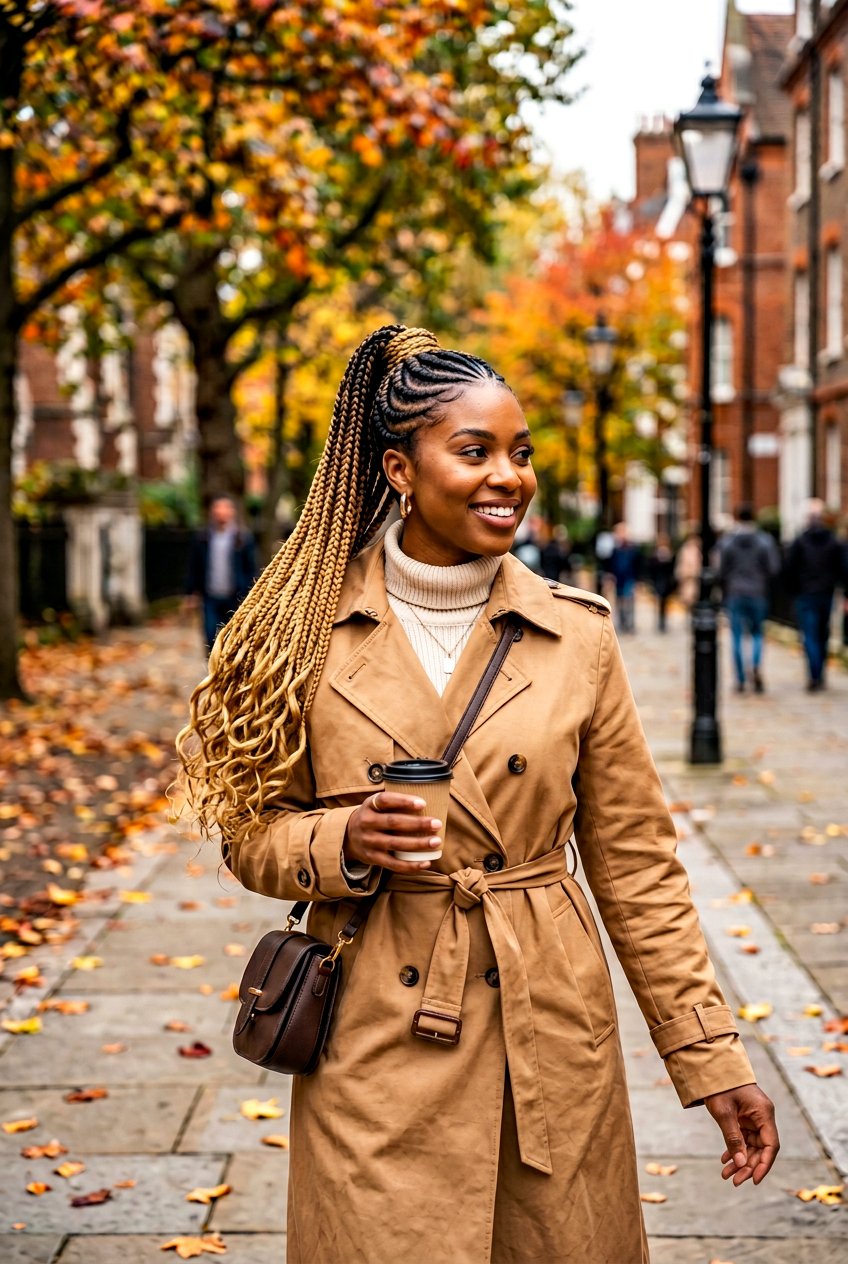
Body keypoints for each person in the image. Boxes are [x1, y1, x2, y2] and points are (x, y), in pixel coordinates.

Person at [177, 326, 778, 1264]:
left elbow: (636, 863)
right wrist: (340, 842)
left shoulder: (576, 635)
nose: (510, 476)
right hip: (375, 1027)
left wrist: (707, 1054)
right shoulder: (300, 628)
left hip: (547, 1023)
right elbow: (249, 834)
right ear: (398, 470)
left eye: (521, 453)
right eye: (475, 451)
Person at [784, 498, 846, 691]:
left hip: (806, 594)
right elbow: (843, 569)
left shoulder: (800, 542)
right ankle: (819, 674)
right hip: (826, 594)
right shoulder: (833, 541)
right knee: (822, 634)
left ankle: (814, 675)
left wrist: (794, 590)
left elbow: (789, 569)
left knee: (810, 635)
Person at [718, 505, 781, 693]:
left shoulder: (728, 542)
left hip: (736, 592)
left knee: (736, 636)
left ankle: (740, 678)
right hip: (757, 592)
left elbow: (720, 570)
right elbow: (773, 568)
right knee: (756, 634)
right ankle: (755, 664)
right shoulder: (764, 541)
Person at [185, 495, 258, 653]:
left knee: (234, 636)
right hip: (210, 596)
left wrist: (249, 592)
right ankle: (213, 670)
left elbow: (251, 567)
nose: (221, 512)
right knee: (211, 635)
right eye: (218, 508)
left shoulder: (242, 539)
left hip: (235, 596)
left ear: (233, 512)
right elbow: (194, 567)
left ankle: (229, 670)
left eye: (226, 508)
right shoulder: (202, 538)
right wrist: (190, 593)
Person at [606, 521, 641, 633]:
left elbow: (638, 564)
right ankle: (622, 623)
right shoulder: (615, 549)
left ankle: (629, 624)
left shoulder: (633, 548)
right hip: (618, 579)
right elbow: (611, 565)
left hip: (629, 579)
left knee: (629, 602)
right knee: (619, 602)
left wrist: (638, 580)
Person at [647, 532, 676, 632]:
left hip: (666, 582)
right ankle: (660, 622)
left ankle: (663, 622)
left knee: (665, 603)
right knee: (659, 602)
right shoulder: (655, 555)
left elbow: (671, 569)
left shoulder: (670, 554)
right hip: (658, 581)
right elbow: (651, 569)